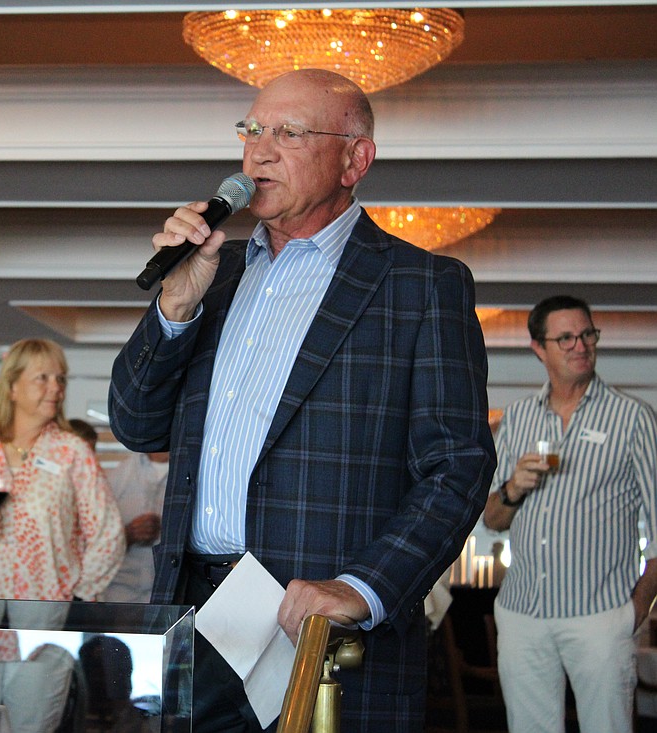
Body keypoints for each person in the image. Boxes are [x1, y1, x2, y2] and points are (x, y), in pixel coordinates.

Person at [108, 68, 496, 732]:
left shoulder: (422, 286)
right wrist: (174, 307)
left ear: (355, 160)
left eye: (287, 132)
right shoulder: (213, 275)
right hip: (194, 617)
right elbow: (137, 422)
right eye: (252, 130)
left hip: (322, 633)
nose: (259, 151)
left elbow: (457, 466)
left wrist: (362, 587)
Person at [0, 337, 126, 733]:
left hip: (43, 625)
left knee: (30, 727)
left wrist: (77, 599)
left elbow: (108, 533)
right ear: (12, 386)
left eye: (60, 378)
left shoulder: (71, 451)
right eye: (43, 378)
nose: (56, 387)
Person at [483, 295, 657, 733]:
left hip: (600, 616)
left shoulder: (633, 418)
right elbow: (492, 518)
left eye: (587, 334)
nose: (580, 346)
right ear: (539, 348)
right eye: (566, 338)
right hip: (522, 614)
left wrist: (631, 614)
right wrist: (511, 489)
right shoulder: (517, 419)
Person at [102, 451, 169, 604]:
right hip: (118, 595)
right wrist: (126, 535)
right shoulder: (118, 475)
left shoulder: (196, 471)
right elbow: (89, 541)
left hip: (172, 598)